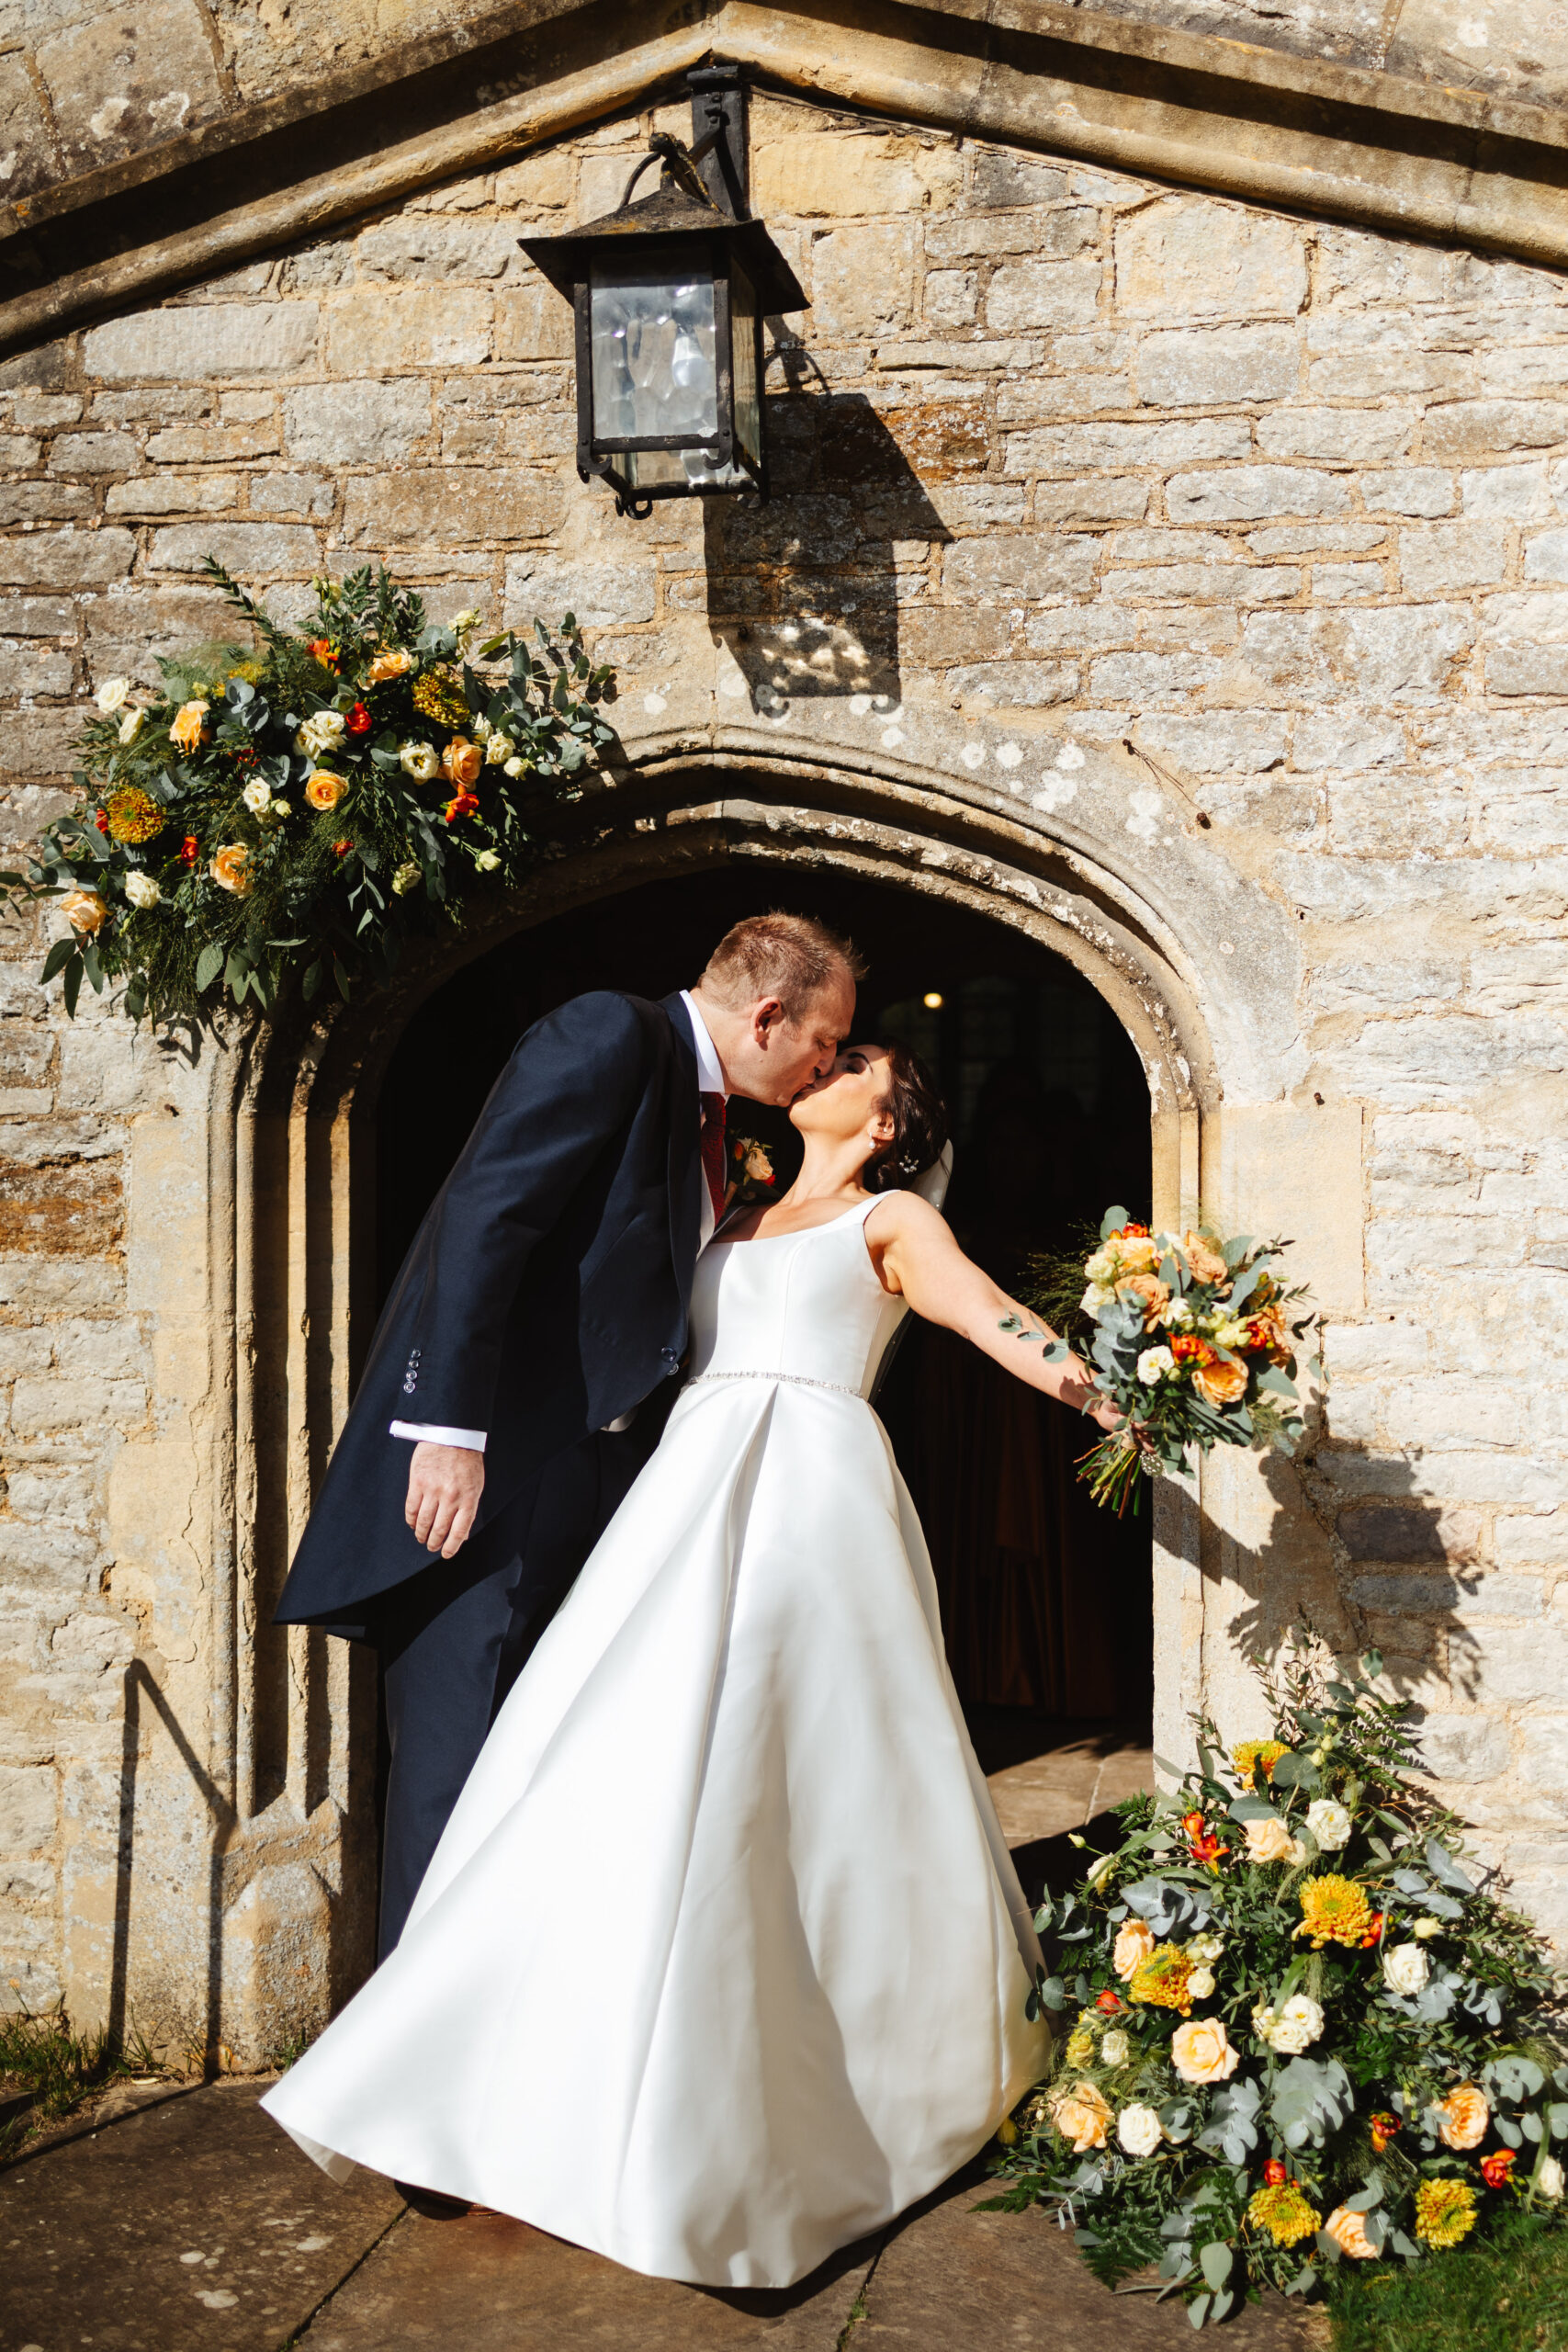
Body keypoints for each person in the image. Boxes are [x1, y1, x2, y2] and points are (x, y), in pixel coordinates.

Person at [264, 1038, 1118, 2290]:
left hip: (808, 1491)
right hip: (684, 1486)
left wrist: (1101, 1391)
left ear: (886, 1120)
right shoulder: (736, 1210)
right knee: (622, 1746)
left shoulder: (889, 1220)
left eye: (857, 1059)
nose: (829, 1061)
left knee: (783, 1756)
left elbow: (989, 1310)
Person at [272, 911, 861, 1957]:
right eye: (823, 1043)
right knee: (459, 1763)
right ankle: (415, 2068)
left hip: (602, 1471)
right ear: (768, 1015)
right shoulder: (609, 1035)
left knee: (547, 1759)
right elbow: (485, 1219)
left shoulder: (710, 1115)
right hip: (496, 1473)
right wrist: (449, 1432)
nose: (823, 1068)